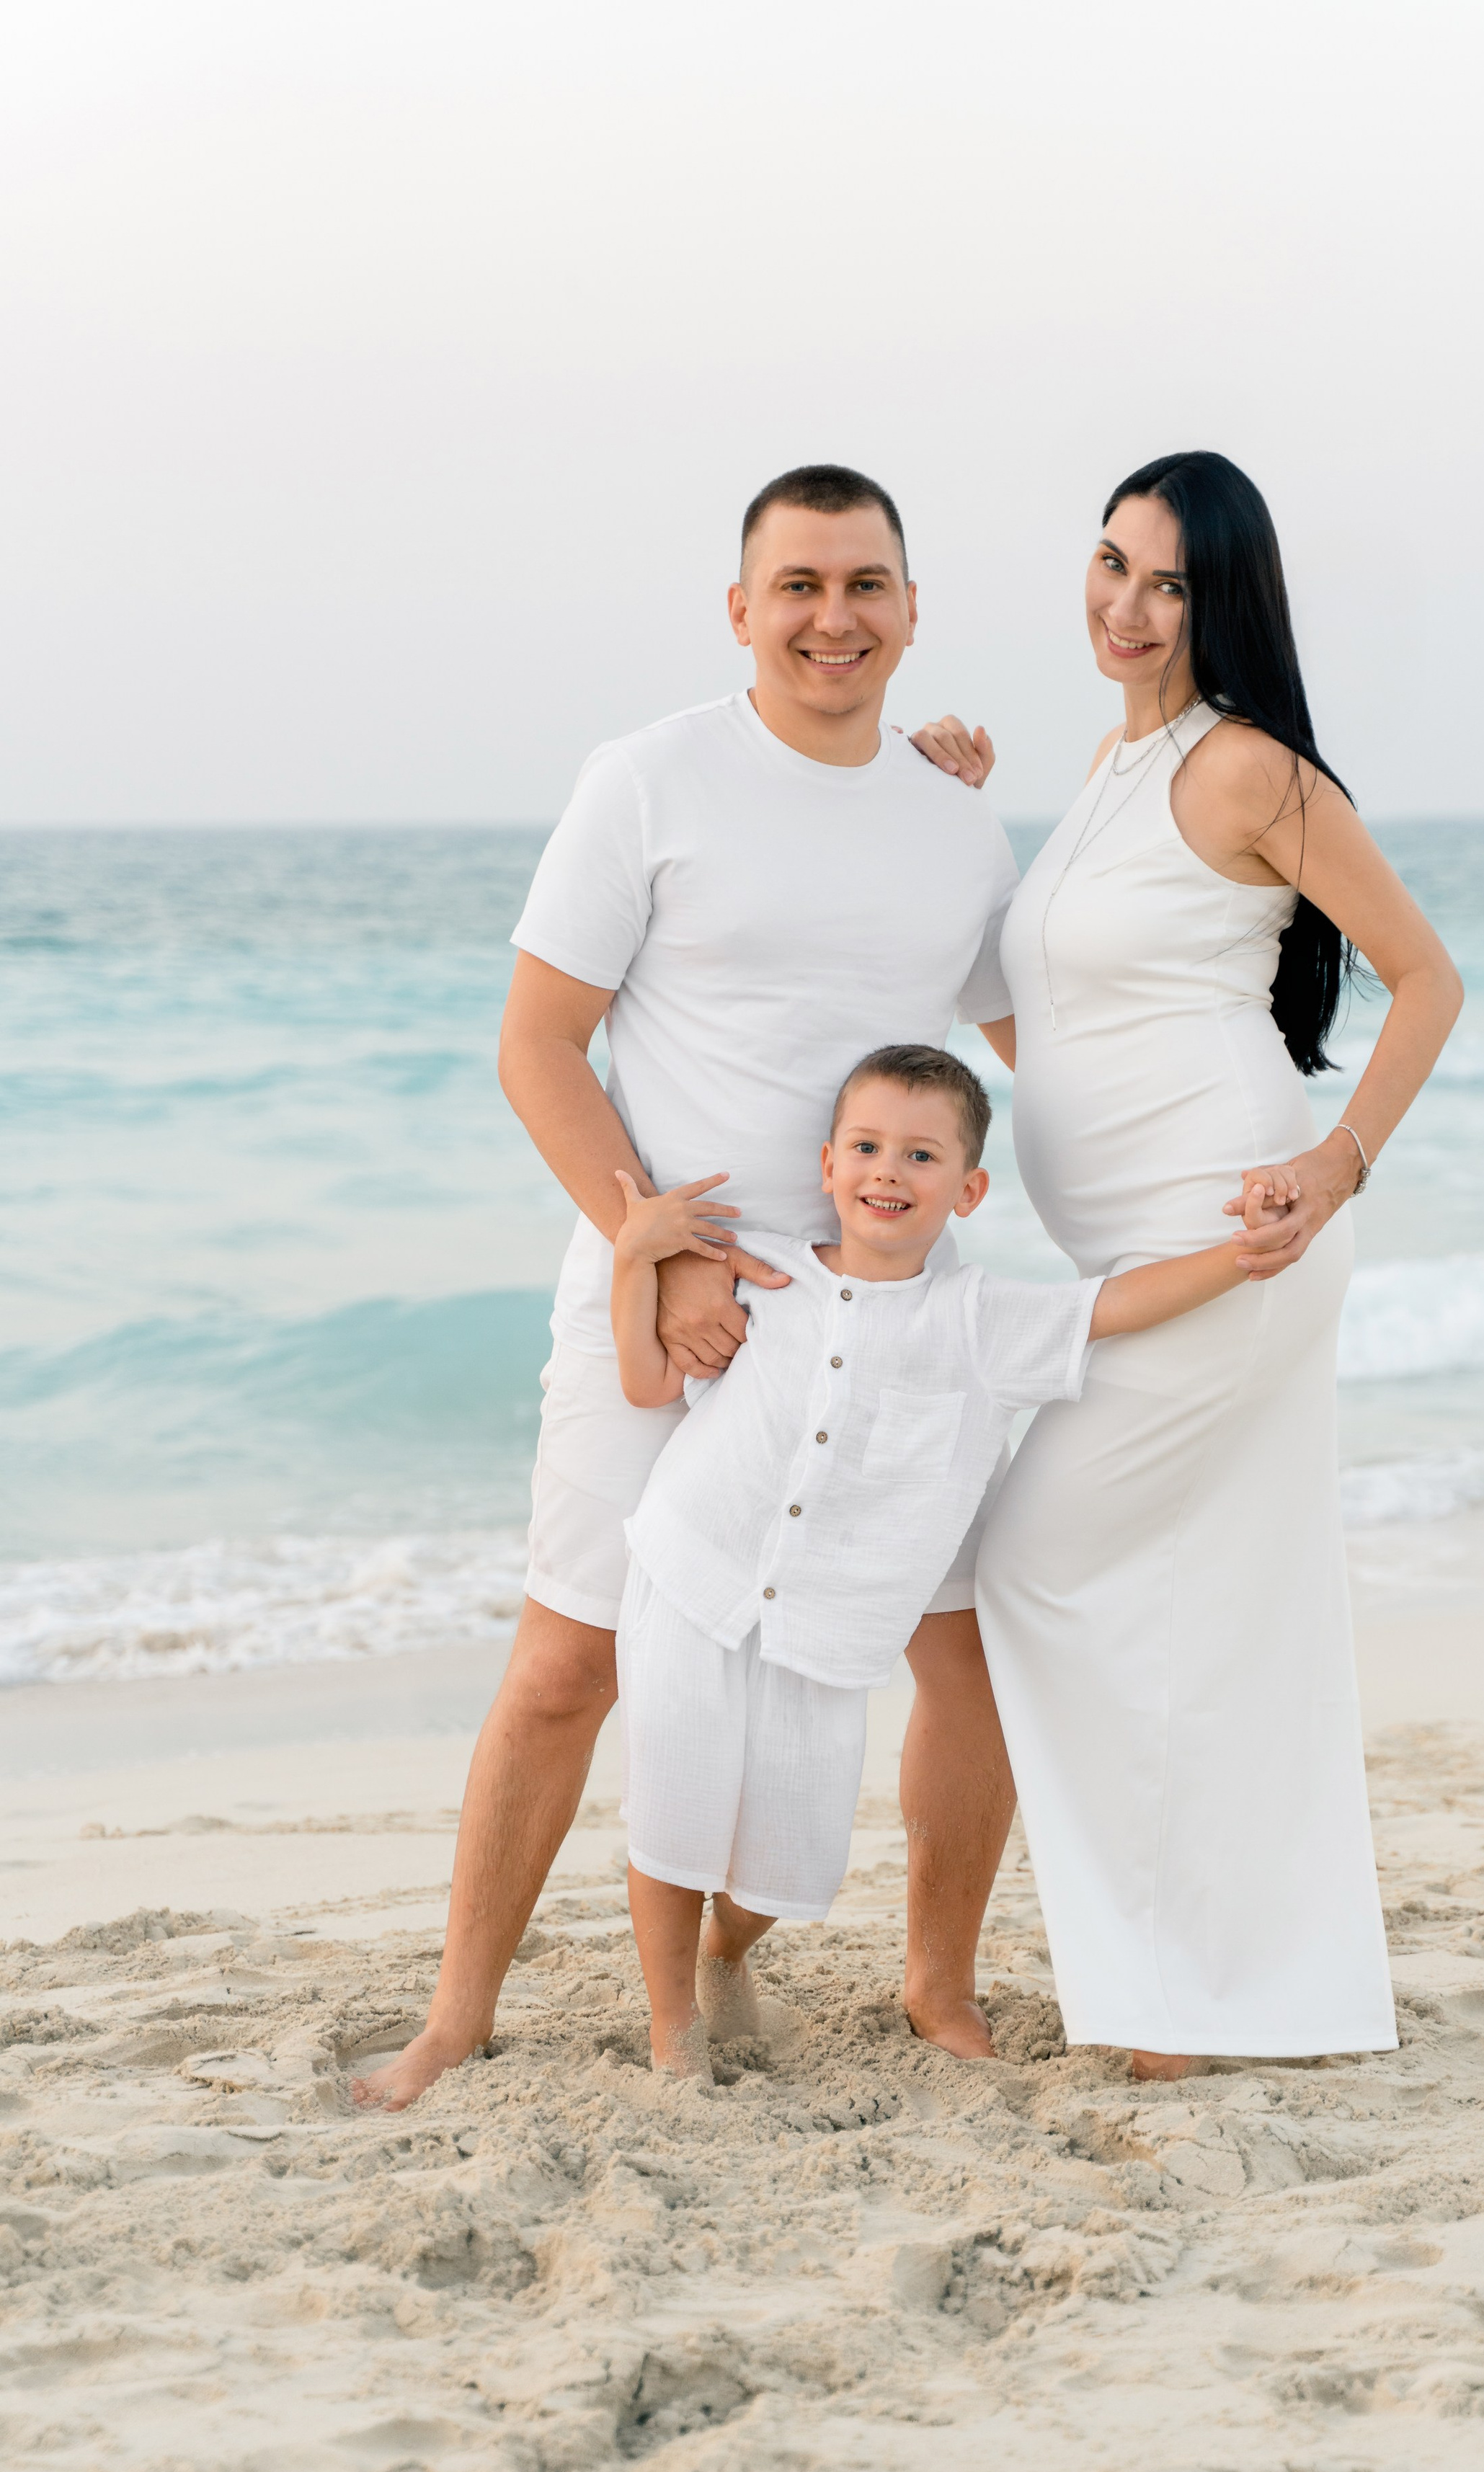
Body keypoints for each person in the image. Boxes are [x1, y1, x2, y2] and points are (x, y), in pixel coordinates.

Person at [356, 464, 1018, 2114]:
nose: (831, 617)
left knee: (949, 1649)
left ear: (912, 612)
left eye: (865, 585)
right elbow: (535, 1042)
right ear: (740, 610)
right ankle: (457, 2013)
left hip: (877, 1310)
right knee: (572, 1659)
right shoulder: (649, 779)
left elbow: (1030, 1041)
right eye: (796, 585)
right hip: (668, 1286)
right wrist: (649, 1250)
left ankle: (933, 1985)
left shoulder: (957, 825)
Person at [956, 449, 1465, 2083]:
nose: (1126, 604)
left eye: (1166, 581)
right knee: (1189, 1611)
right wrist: (952, 823)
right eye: (1110, 564)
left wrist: (1335, 1163)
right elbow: (1046, 1025)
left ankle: (1175, 1989)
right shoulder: (1106, 773)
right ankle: (1203, 1985)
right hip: (1128, 1249)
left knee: (1039, 1562)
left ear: (1219, 600)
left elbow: (1425, 978)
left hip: (1229, 1241)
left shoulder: (1245, 769)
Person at [605, 1045, 1266, 2076]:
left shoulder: (979, 1321)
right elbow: (650, 1385)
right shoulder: (761, 1271)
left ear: (969, 1189)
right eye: (866, 1147)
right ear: (827, 1164)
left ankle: (724, 1948)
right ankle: (672, 2029)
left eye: (920, 1155)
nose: (888, 1171)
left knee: (778, 1866)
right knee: (675, 1809)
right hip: (695, 1567)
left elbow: (1116, 1307)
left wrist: (1249, 1255)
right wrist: (630, 1257)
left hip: (826, 1631)